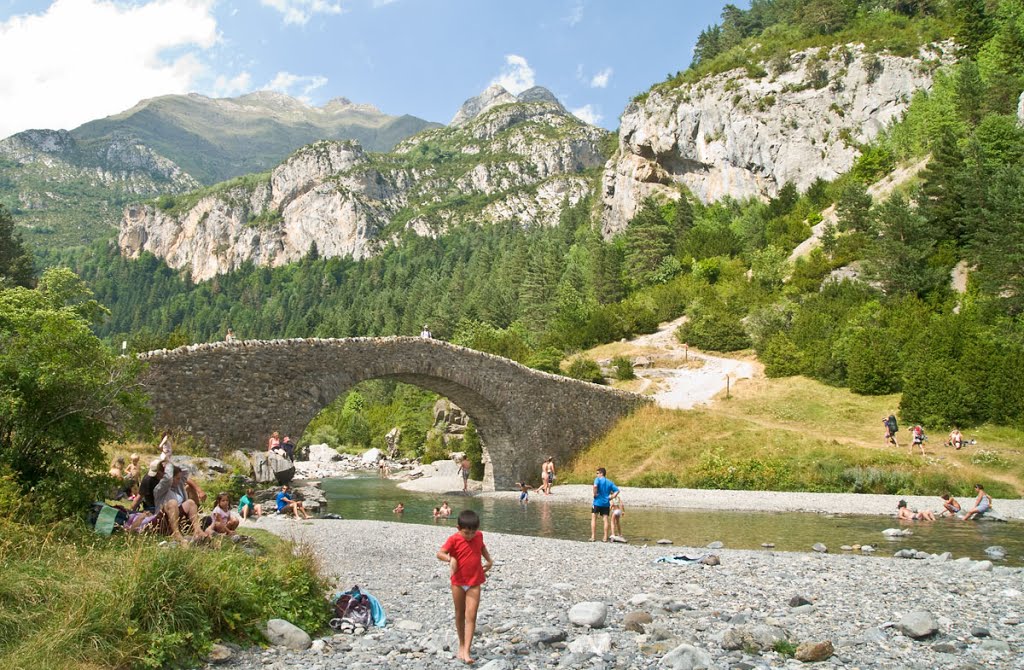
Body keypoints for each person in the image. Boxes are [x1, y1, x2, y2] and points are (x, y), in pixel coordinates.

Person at [436, 509, 493, 665]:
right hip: (458, 582)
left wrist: (489, 560)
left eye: (472, 533)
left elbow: (482, 547)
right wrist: (450, 559)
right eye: (466, 533)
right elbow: (440, 553)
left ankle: (467, 651)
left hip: (475, 582)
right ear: (458, 528)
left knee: (471, 615)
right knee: (459, 613)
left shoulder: (479, 536)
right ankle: (461, 644)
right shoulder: (454, 539)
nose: (469, 536)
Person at [154, 464, 206, 541]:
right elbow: (167, 479)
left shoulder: (177, 488)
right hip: (162, 518)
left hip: (176, 516)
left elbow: (185, 471)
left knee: (190, 502)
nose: (179, 481)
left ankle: (197, 530)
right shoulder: (161, 488)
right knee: (173, 503)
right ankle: (176, 533)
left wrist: (173, 465)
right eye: (177, 478)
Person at [590, 467, 620, 542]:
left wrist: (595, 494)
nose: (596, 475)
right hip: (606, 503)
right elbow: (617, 490)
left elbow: (595, 486)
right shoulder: (609, 482)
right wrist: (612, 497)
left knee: (594, 518)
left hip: (597, 502)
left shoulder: (597, 479)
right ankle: (605, 538)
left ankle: (593, 537)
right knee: (605, 519)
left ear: (601, 473)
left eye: (597, 473)